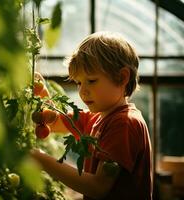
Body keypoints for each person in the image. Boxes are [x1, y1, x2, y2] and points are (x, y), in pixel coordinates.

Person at [31, 31, 153, 200]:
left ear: (122, 77)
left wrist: (41, 160)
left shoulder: (124, 123)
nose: (82, 91)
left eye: (92, 81)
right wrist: (41, 91)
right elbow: (53, 121)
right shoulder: (96, 118)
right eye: (79, 82)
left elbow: (98, 187)